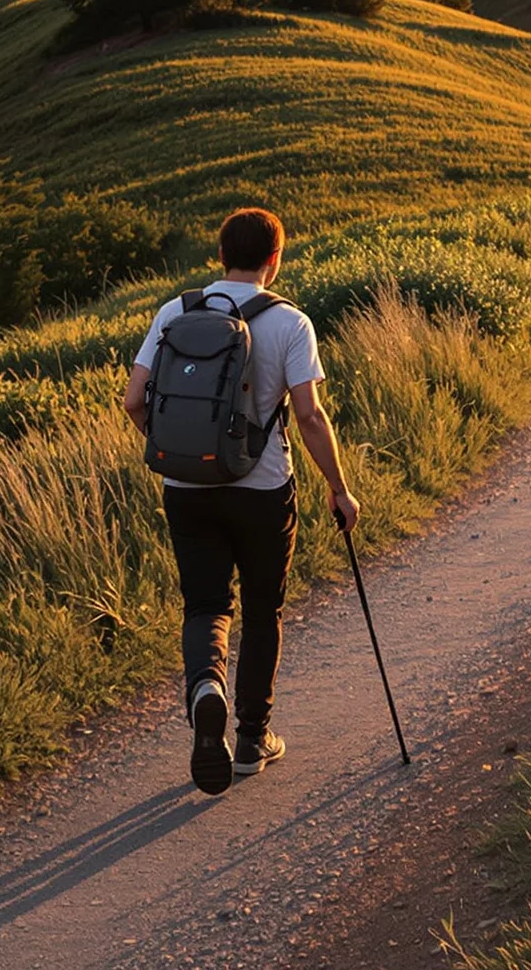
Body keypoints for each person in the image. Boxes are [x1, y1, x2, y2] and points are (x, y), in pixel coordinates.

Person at [124, 206, 361, 793]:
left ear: (220, 252)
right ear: (274, 260)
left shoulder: (175, 311)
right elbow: (308, 415)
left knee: (206, 606)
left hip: (186, 489)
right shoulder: (291, 323)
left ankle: (207, 686)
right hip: (262, 489)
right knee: (261, 609)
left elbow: (133, 400)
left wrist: (179, 452)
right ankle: (253, 739)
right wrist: (338, 487)